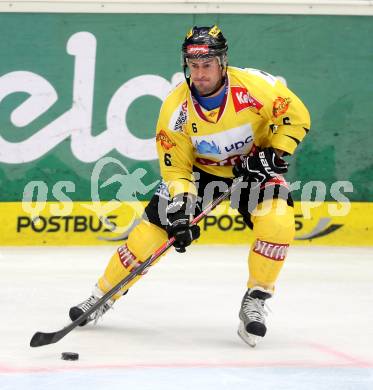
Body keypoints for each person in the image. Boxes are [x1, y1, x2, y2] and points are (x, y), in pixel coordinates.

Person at [69, 25, 310, 347]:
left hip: (252, 167)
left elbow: (296, 117)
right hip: (201, 172)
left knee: (278, 221)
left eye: (207, 64)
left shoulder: (256, 87)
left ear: (222, 62)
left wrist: (275, 154)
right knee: (148, 236)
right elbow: (178, 169)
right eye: (193, 65)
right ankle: (101, 296)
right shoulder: (175, 110)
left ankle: (257, 298)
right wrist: (181, 210)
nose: (200, 73)